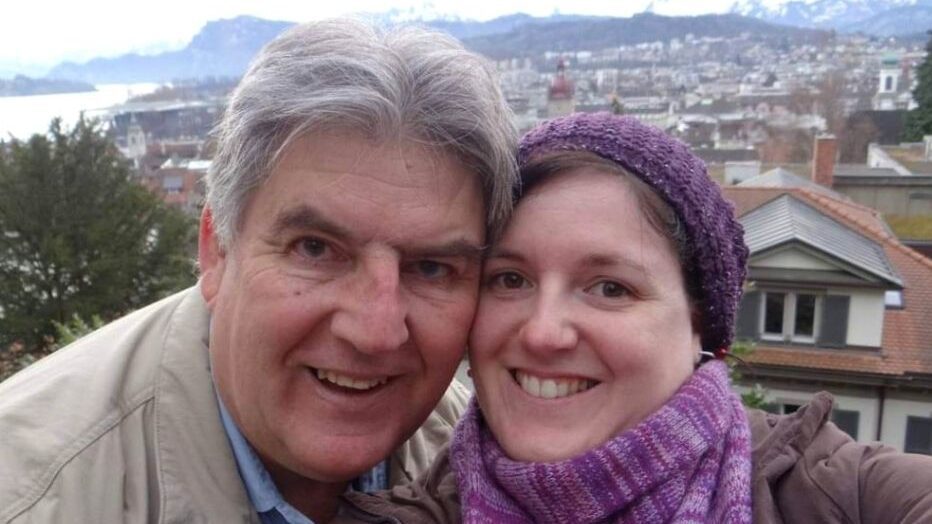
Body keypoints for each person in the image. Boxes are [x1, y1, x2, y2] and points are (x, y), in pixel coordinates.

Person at [0, 19, 517, 523]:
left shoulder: (485, 454)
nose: (375, 331)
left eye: (431, 268)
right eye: (315, 249)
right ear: (217, 251)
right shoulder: (33, 498)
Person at [338, 113, 932, 523]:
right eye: (510, 280)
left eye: (610, 288)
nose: (543, 333)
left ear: (699, 323)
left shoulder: (841, 497)